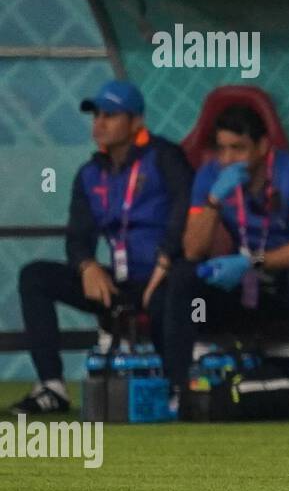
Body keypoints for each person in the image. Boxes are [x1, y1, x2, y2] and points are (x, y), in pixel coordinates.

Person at [14, 81, 192, 414]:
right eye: (96, 115)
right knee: (34, 276)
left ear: (136, 121)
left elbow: (185, 211)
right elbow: (77, 237)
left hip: (162, 275)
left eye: (110, 115)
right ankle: (53, 387)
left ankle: (175, 389)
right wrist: (87, 266)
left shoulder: (165, 157)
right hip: (118, 284)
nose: (99, 123)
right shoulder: (90, 173)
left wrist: (166, 261)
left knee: (173, 291)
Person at [167, 104, 289, 416]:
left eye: (238, 149)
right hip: (247, 281)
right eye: (222, 149)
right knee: (183, 274)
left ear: (262, 146)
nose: (228, 159)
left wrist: (251, 262)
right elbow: (193, 249)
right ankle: (178, 387)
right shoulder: (211, 176)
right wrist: (215, 200)